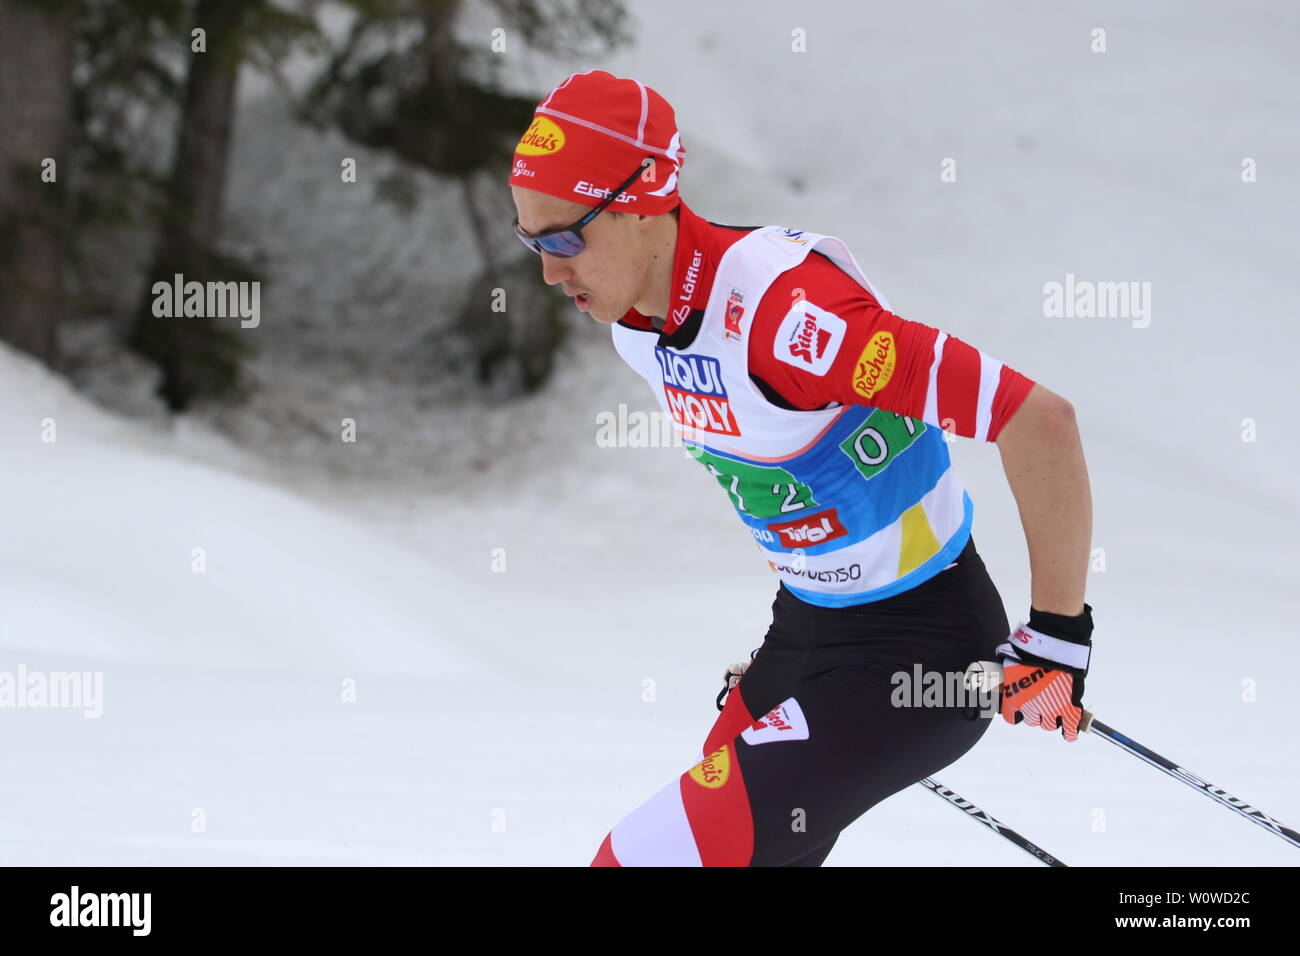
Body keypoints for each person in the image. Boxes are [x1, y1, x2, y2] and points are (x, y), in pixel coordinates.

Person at [506, 70, 1095, 867]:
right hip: (806, 636)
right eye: (530, 238)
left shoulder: (791, 319)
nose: (549, 270)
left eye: (565, 238)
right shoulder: (636, 328)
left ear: (644, 199)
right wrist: (808, 636)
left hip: (923, 656)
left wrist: (1058, 639)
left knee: (638, 860)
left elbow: (1039, 420)